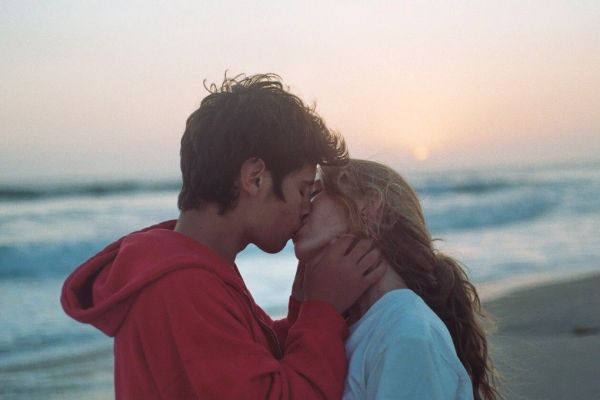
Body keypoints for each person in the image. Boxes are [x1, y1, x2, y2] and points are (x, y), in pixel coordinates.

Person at [61, 74, 385, 399]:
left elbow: (254, 361)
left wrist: (307, 302)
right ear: (255, 178)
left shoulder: (193, 268)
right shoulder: (180, 287)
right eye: (302, 190)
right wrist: (323, 308)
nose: (306, 208)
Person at [293, 159, 501, 400]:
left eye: (315, 193)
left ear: (369, 206)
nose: (302, 206)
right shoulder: (359, 329)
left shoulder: (406, 334)